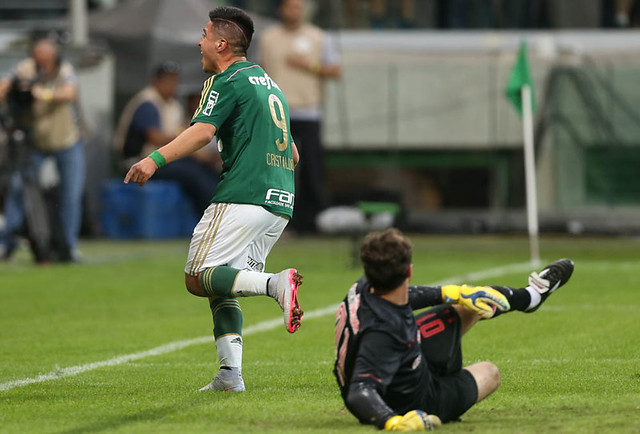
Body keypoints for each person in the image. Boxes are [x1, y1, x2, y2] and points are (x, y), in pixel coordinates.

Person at [124, 6, 303, 392]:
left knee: (197, 277)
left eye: (204, 35)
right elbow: (294, 153)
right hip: (280, 200)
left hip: (244, 194)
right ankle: (229, 375)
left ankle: (276, 285)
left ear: (221, 43)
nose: (199, 42)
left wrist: (154, 159)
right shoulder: (267, 82)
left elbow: (203, 132)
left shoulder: (225, 80)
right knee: (221, 283)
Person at [334, 228, 574, 430]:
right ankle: (447, 384)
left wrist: (452, 293)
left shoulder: (363, 286)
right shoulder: (385, 331)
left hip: (403, 367)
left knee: (470, 303)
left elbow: (406, 295)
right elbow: (360, 391)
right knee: (490, 372)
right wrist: (393, 421)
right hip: (412, 400)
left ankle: (530, 297)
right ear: (409, 270)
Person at [259, 0, 341, 233]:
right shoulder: (269, 38)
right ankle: (278, 221)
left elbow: (335, 70)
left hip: (309, 109)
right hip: (278, 111)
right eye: (290, 7)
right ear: (281, 10)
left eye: (298, 7)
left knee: (312, 167)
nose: (294, 12)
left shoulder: (318, 37)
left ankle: (314, 221)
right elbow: (260, 70)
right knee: (277, 166)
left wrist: (309, 65)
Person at [0, 37, 85, 261]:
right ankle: (5, 244)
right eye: (39, 60)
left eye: (46, 60)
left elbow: (70, 93)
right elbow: (3, 88)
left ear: (54, 57)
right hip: (34, 143)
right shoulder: (24, 69)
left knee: (70, 194)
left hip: (66, 141)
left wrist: (42, 93)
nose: (43, 65)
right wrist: (15, 89)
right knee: (18, 190)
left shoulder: (64, 70)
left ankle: (69, 247)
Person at [114, 61, 220, 213]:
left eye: (174, 81)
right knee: (194, 175)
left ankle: (217, 215)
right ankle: (211, 215)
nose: (172, 85)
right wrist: (184, 140)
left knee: (208, 171)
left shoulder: (173, 105)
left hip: (166, 159)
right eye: (167, 81)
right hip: (142, 161)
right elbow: (155, 138)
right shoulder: (147, 102)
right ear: (156, 81)